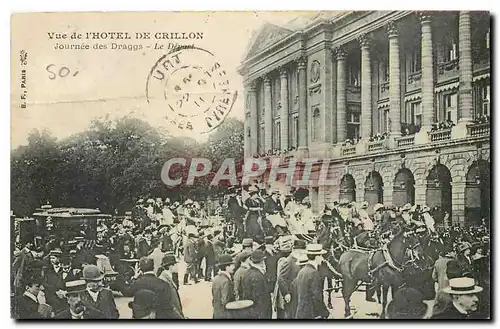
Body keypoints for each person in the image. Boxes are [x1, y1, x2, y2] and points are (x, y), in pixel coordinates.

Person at [295, 244, 329, 319]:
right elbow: (317, 297)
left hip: (301, 312)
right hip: (312, 313)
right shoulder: (314, 273)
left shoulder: (302, 271)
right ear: (317, 257)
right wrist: (324, 312)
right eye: (321, 256)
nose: (322, 259)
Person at [240, 249, 272, 319]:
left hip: (249, 309)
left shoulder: (247, 273)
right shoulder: (258, 276)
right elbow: (260, 298)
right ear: (262, 262)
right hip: (259, 313)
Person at [212, 254, 236, 319]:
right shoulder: (226, 281)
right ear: (226, 267)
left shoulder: (216, 278)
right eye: (232, 265)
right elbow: (225, 301)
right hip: (225, 314)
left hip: (217, 312)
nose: (233, 267)